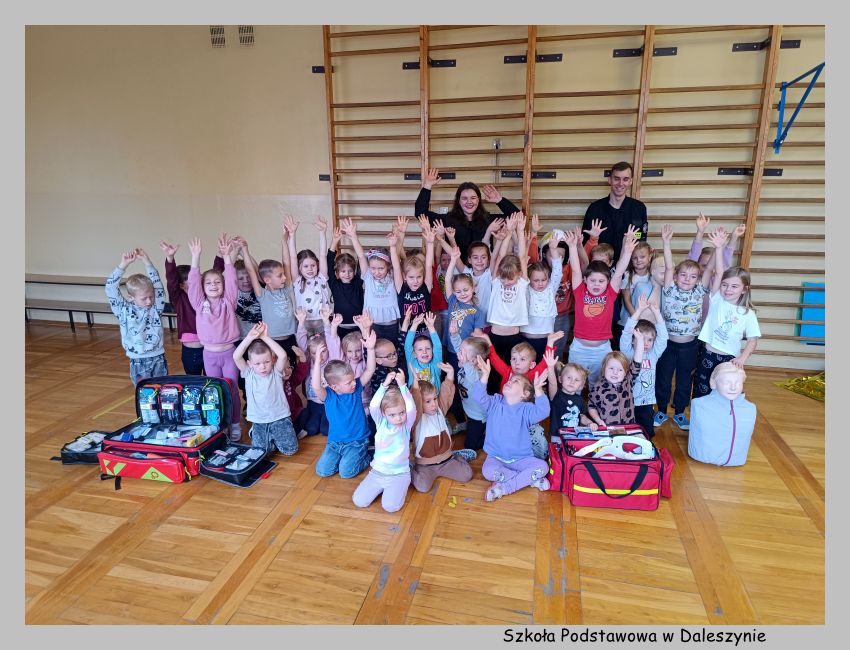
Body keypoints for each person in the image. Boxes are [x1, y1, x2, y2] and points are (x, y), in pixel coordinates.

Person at [654, 223, 713, 430]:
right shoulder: (669, 289)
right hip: (667, 344)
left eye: (693, 276)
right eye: (683, 275)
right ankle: (661, 410)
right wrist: (666, 242)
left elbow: (710, 269)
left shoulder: (699, 291)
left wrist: (718, 247)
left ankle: (679, 412)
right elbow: (669, 266)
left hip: (689, 346)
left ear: (698, 279)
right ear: (676, 276)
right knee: (663, 378)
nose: (688, 279)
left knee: (684, 381)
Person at [693, 230, 761, 400]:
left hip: (730, 359)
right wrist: (718, 248)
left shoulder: (748, 314)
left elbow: (752, 341)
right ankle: (699, 415)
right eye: (725, 285)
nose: (728, 289)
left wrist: (742, 358)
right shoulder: (716, 299)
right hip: (708, 353)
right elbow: (719, 271)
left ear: (744, 289)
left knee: (725, 393)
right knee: (701, 390)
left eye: (734, 286)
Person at [564, 226, 636, 386]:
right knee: (573, 386)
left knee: (598, 387)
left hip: (602, 350)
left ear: (608, 282)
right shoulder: (580, 291)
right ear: (585, 280)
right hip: (579, 349)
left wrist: (628, 251)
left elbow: (619, 272)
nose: (597, 284)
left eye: (601, 281)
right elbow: (576, 270)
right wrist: (572, 247)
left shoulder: (610, 293)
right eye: (592, 280)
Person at [472, 357, 551, 502]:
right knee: (487, 471)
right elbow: (478, 396)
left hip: (522, 459)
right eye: (510, 379)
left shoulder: (527, 409)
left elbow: (543, 411)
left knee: (543, 467)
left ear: (525, 394)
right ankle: (528, 480)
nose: (510, 381)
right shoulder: (495, 402)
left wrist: (539, 390)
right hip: (496, 458)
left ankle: (505, 487)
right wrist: (485, 376)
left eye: (516, 381)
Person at [187, 235, 242, 440]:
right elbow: (193, 284)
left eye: (217, 282)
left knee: (231, 389)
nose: (213, 285)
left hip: (229, 354)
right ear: (203, 287)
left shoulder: (229, 301)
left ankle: (235, 423)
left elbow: (232, 280)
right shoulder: (199, 303)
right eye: (209, 282)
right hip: (209, 356)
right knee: (214, 391)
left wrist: (227, 257)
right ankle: (220, 424)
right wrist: (195, 257)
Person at [416, 167, 520, 260]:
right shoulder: (448, 220)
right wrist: (427, 186)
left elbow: (518, 217)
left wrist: (499, 200)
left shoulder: (489, 220)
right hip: (456, 270)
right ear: (458, 201)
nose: (469, 202)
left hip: (484, 270)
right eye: (464, 198)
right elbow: (420, 213)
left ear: (478, 200)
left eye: (473, 198)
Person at [312, 333, 377, 479]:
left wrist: (371, 349)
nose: (354, 383)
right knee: (323, 471)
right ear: (334, 387)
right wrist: (317, 361)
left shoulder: (356, 388)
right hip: (335, 443)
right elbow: (316, 386)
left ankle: (368, 454)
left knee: (346, 473)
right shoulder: (328, 396)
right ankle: (347, 457)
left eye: (353, 379)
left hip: (357, 441)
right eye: (348, 382)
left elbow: (370, 370)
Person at [352, 369, 415, 512]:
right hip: (378, 472)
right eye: (392, 415)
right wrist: (384, 385)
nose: (398, 418)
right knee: (359, 501)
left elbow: (411, 408)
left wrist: (403, 386)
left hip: (399, 474)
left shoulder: (406, 425)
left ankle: (405, 478)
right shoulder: (380, 422)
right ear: (383, 414)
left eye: (402, 413)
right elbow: (374, 405)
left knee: (390, 507)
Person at [232, 321, 298, 455]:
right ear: (250, 364)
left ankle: (274, 437)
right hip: (259, 420)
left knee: (291, 450)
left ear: (272, 360)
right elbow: (236, 356)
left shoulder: (276, 371)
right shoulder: (248, 373)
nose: (262, 367)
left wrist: (265, 337)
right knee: (261, 453)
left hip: (280, 418)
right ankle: (257, 433)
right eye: (257, 364)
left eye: (266, 362)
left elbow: (282, 355)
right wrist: (249, 337)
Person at [408, 363, 475, 493]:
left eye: (434, 398)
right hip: (425, 466)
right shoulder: (416, 418)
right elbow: (415, 401)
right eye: (428, 401)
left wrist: (450, 375)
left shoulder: (439, 409)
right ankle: (409, 468)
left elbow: (446, 394)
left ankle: (457, 456)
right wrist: (415, 384)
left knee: (467, 475)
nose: (434, 404)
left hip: (447, 460)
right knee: (423, 487)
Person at [160, 240, 224, 375]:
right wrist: (170, 259)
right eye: (192, 280)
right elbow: (171, 280)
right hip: (191, 352)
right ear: (182, 285)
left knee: (210, 380)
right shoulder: (179, 299)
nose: (198, 282)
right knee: (193, 381)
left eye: (199, 279)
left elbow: (215, 273)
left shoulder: (206, 296)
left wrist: (220, 254)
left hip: (209, 349)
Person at [105, 247, 168, 384]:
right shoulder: (123, 310)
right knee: (143, 393)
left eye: (151, 296)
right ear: (131, 297)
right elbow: (110, 288)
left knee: (162, 390)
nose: (149, 301)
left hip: (158, 357)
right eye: (144, 298)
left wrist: (147, 261)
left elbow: (158, 285)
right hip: (137, 360)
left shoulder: (155, 307)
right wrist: (123, 265)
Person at [240, 233, 298, 367]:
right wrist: (244, 250)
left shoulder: (286, 289)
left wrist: (284, 241)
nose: (284, 277)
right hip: (272, 342)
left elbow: (286, 262)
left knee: (291, 370)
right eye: (280, 276)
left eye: (283, 275)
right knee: (275, 371)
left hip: (290, 339)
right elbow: (251, 271)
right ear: (267, 280)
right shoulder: (263, 295)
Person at [341, 217, 400, 343]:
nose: (377, 272)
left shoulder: (391, 275)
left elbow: (396, 264)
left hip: (390, 323)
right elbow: (361, 256)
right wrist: (353, 236)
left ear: (387, 267)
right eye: (373, 268)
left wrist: (393, 245)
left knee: (392, 349)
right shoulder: (368, 276)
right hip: (372, 322)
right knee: (373, 349)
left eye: (381, 268)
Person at [619, 295, 668, 438]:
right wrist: (639, 310)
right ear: (633, 339)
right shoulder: (628, 353)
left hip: (646, 402)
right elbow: (626, 332)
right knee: (626, 432)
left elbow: (663, 337)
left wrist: (657, 313)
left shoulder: (653, 354)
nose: (645, 343)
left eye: (650, 340)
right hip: (627, 400)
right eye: (641, 338)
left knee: (646, 433)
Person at [581, 161, 648, 262]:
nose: (620, 183)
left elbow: (642, 236)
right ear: (610, 180)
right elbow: (585, 242)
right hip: (600, 267)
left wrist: (633, 236)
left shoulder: (639, 208)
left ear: (631, 181)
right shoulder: (595, 208)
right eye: (616, 178)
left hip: (628, 265)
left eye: (625, 179)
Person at [284, 215, 334, 335]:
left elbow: (322, 255)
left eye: (313, 265)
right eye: (306, 266)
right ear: (299, 268)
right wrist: (292, 235)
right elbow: (292, 257)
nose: (310, 269)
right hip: (304, 322)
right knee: (305, 346)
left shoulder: (321, 278)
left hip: (322, 321)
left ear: (317, 265)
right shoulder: (297, 280)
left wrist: (322, 232)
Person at [521, 229, 565, 361]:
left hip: (546, 339)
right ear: (529, 280)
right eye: (536, 280)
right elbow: (522, 274)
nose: (540, 283)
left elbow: (557, 271)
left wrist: (553, 249)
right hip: (526, 338)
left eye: (543, 280)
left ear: (548, 279)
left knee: (544, 368)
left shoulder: (550, 288)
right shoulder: (526, 289)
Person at [389, 216, 435, 333]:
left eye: (419, 277)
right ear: (405, 277)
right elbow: (396, 266)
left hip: (424, 332)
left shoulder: (426, 287)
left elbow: (428, 265)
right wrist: (393, 246)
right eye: (411, 277)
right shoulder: (402, 288)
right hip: (406, 331)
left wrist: (430, 243)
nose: (415, 281)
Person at [586, 349, 643, 429]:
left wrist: (640, 342)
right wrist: (598, 420)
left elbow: (637, 364)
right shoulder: (598, 387)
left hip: (628, 427)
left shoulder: (628, 381)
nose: (615, 372)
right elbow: (592, 406)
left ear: (625, 372)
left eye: (620, 370)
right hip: (608, 428)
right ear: (604, 368)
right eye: (611, 368)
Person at [544, 353, 597, 436]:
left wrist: (590, 423)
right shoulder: (556, 395)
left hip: (574, 436)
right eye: (569, 377)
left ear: (581, 386)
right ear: (560, 379)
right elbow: (552, 383)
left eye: (576, 380)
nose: (572, 382)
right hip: (558, 436)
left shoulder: (579, 399)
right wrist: (550, 367)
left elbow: (581, 416)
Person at [327, 225, 364, 333]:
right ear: (337, 272)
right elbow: (329, 263)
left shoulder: (357, 282)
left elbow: (361, 258)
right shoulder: (334, 284)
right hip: (340, 325)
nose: (347, 274)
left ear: (354, 271)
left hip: (358, 325)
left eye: (350, 271)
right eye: (343, 271)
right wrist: (334, 242)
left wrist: (353, 237)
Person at [402, 310, 443, 390]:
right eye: (420, 349)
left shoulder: (436, 364)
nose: (424, 352)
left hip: (435, 397)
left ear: (432, 351)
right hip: (415, 397)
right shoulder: (412, 362)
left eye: (428, 348)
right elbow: (407, 346)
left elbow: (438, 347)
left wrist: (431, 328)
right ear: (414, 354)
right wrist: (414, 325)